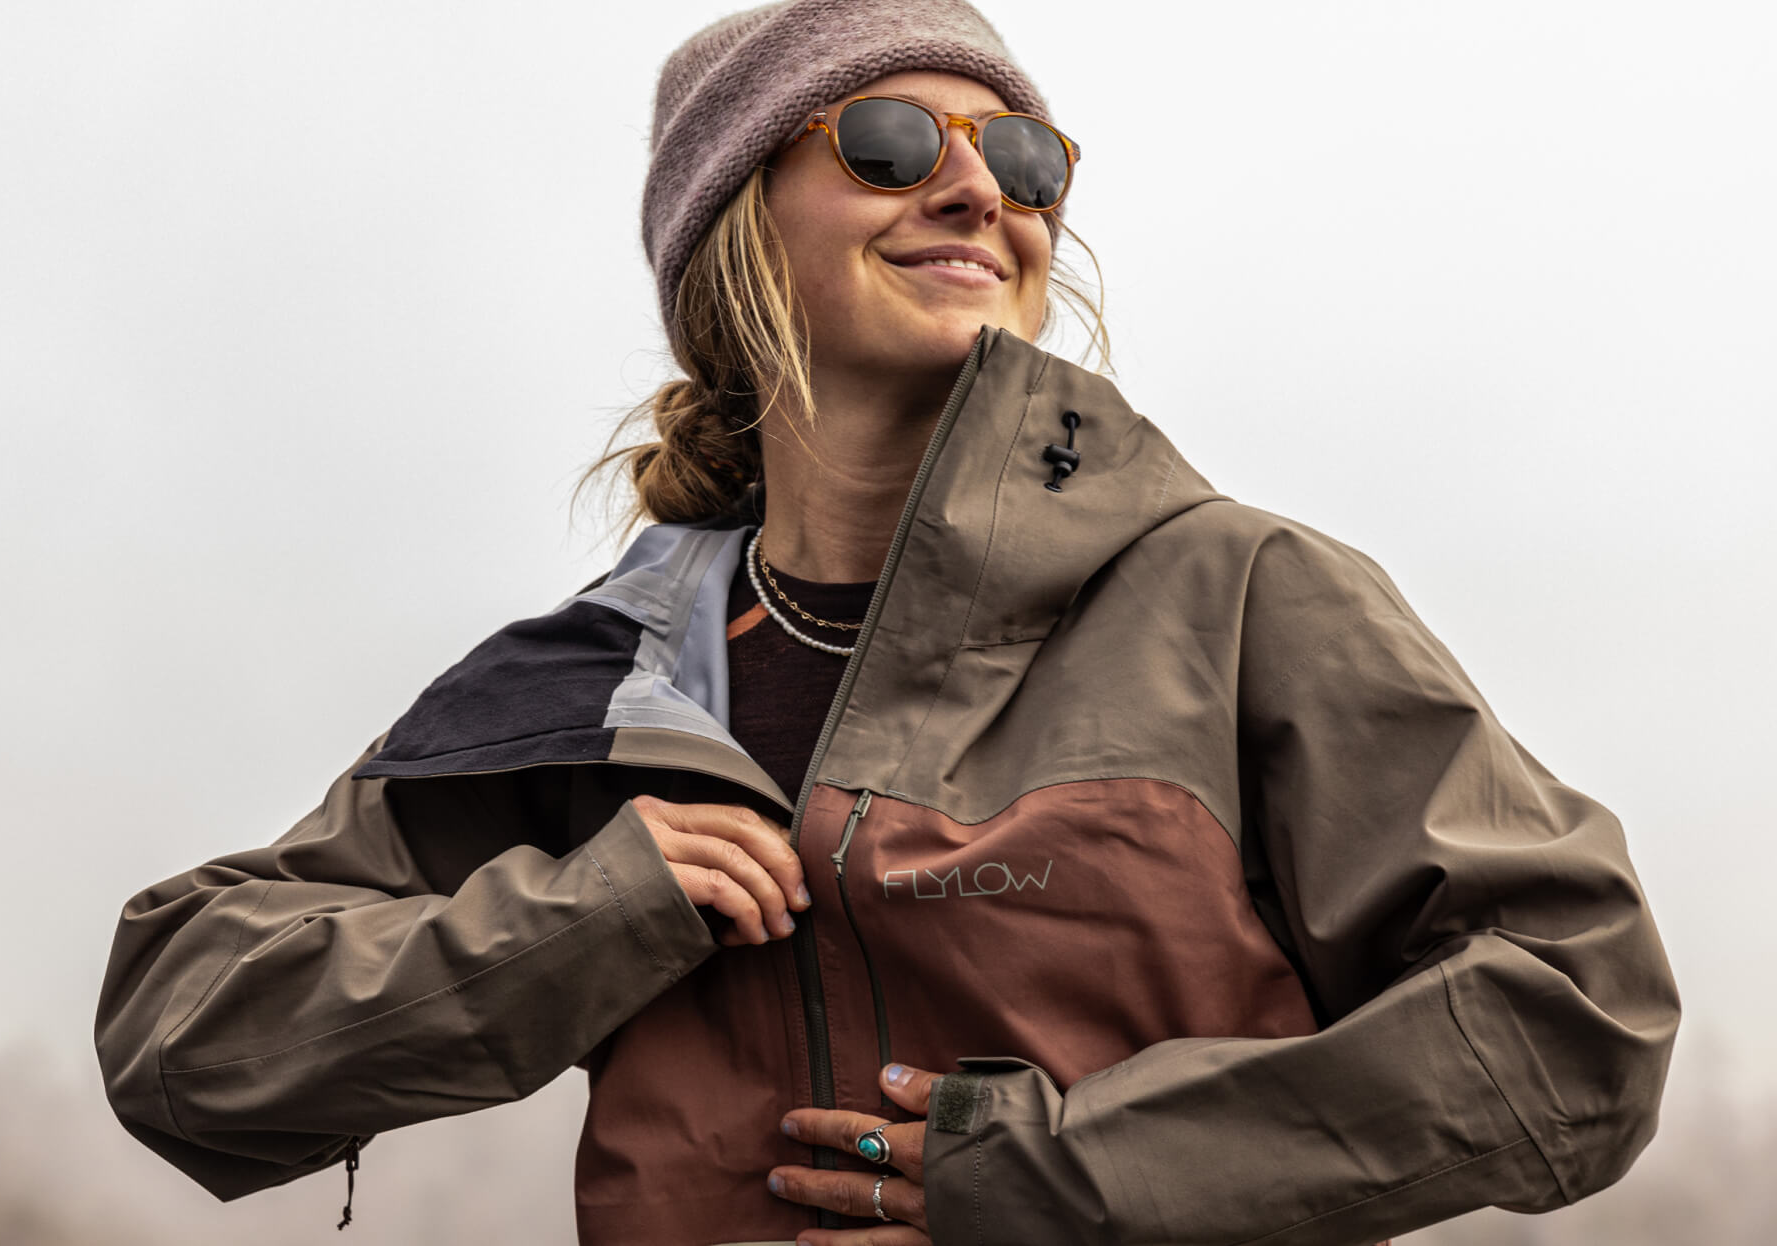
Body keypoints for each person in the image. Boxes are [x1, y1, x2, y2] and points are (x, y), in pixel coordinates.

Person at [92, 2, 1678, 1243]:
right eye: (894, 139)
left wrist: (1068, 1182)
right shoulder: (608, 690)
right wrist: (587, 918)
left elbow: (1577, 1012)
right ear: (734, 227)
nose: (981, 188)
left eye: (1028, 158)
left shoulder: (1242, 596)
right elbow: (185, 1035)